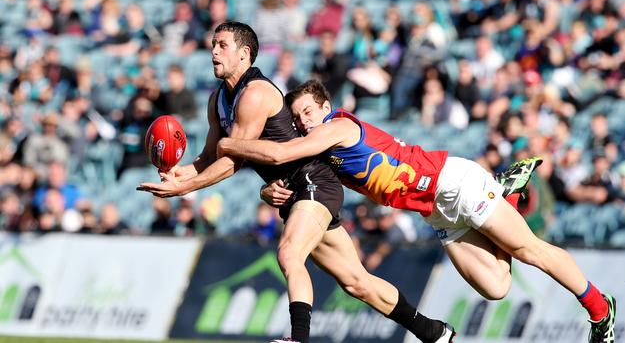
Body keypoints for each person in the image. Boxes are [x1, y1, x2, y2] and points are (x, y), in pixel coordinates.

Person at [218, 80, 617, 343]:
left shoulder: (337, 128)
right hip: (436, 213)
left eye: (308, 112)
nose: (303, 122)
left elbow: (283, 152)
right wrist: (268, 191)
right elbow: (308, 182)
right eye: (298, 117)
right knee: (496, 287)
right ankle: (507, 196)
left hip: (454, 183)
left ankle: (600, 312)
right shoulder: (324, 149)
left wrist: (229, 145)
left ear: (327, 107)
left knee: (530, 251)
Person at [137, 22, 454, 343]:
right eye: (213, 45)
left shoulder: (256, 93)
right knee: (357, 282)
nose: (214, 51)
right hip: (296, 196)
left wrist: (185, 189)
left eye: (222, 45)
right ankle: (433, 332)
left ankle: (298, 339)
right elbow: (208, 158)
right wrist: (179, 173)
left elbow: (233, 159)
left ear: (244, 53)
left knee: (289, 254)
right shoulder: (217, 100)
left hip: (313, 183)